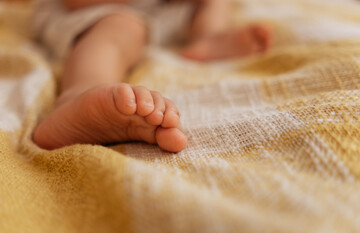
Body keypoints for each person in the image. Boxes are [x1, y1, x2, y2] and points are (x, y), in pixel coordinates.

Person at [32, 0, 272, 153]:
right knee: (121, 29)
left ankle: (210, 34)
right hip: (94, 9)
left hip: (158, 10)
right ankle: (78, 95)